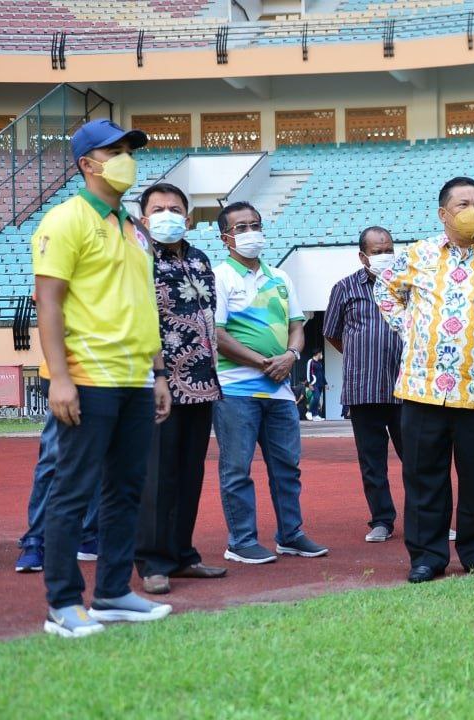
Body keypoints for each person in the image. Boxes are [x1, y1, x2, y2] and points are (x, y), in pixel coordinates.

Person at [33, 118, 173, 638]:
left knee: (126, 489)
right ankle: (63, 604)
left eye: (128, 149)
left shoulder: (131, 228)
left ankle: (113, 591)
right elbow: (48, 303)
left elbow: (145, 306)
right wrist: (60, 379)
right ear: (86, 164)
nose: (125, 158)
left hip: (135, 377)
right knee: (73, 490)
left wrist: (157, 372)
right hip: (89, 376)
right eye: (114, 150)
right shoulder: (65, 220)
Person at [375, 176, 474, 583]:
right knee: (423, 478)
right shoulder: (418, 255)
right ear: (443, 213)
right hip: (422, 389)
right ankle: (427, 556)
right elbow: (385, 291)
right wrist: (407, 328)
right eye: (464, 204)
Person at [212, 201, 328, 564]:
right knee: (237, 467)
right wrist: (263, 362)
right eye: (242, 227)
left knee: (287, 467)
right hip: (235, 389)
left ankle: (290, 535)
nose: (251, 233)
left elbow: (297, 326)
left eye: (255, 225)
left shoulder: (280, 278)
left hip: (278, 390)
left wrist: (292, 357)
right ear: (226, 237)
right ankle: (241, 540)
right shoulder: (220, 277)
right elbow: (216, 333)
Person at [134, 182, 228, 594]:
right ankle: (152, 561)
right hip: (161, 382)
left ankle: (182, 555)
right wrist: (157, 376)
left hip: (203, 383)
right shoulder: (136, 258)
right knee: (158, 474)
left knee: (190, 473)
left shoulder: (201, 258)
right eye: (158, 209)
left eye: (175, 208)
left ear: (188, 218)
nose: (167, 215)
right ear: (143, 217)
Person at [324, 226, 404, 543]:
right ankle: (382, 520)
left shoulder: (408, 286)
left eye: (388, 249)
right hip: (364, 388)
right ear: (362, 256)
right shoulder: (345, 289)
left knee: (419, 458)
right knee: (372, 462)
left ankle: (430, 519)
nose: (384, 256)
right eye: (377, 251)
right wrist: (361, 352)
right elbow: (332, 333)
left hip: (405, 388)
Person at [14, 384, 100, 573]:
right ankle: (36, 539)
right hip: (72, 376)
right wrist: (60, 378)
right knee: (54, 455)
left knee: (100, 454)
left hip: (113, 378)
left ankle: (89, 535)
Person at [306, 350, 327, 420]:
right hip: (314, 383)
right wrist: (309, 383)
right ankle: (309, 412)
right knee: (316, 397)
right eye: (321, 353)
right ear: (318, 353)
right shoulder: (310, 361)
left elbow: (322, 374)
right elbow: (308, 372)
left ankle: (315, 415)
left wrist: (325, 383)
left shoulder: (319, 363)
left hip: (320, 383)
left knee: (317, 400)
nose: (322, 355)